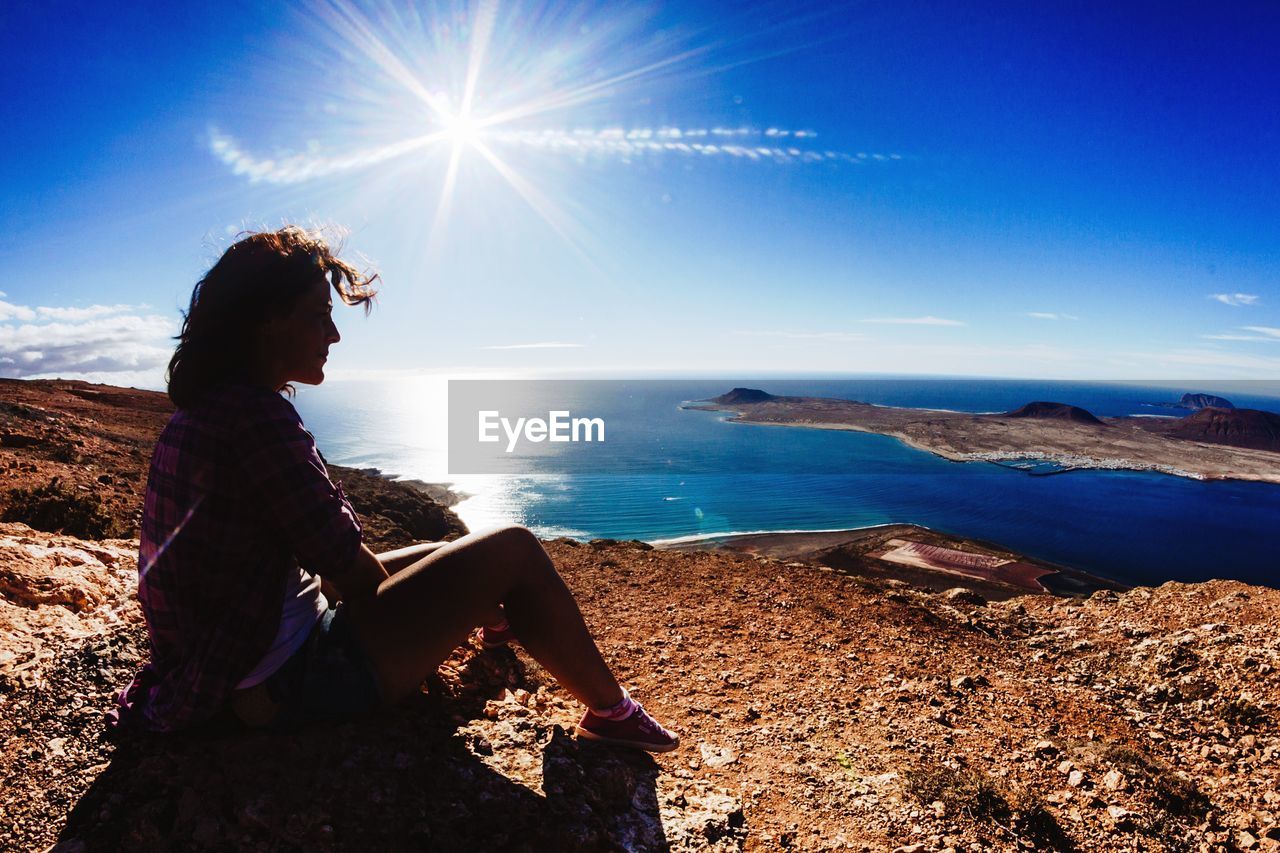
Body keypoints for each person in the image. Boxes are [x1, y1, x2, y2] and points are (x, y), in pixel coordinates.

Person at [113, 226, 677, 752]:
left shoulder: (208, 410)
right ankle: (611, 713)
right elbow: (351, 572)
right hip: (281, 681)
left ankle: (498, 618)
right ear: (267, 320)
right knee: (514, 549)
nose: (333, 334)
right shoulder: (256, 422)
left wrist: (443, 591)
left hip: (228, 658)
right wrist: (435, 610)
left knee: (444, 553)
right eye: (319, 317)